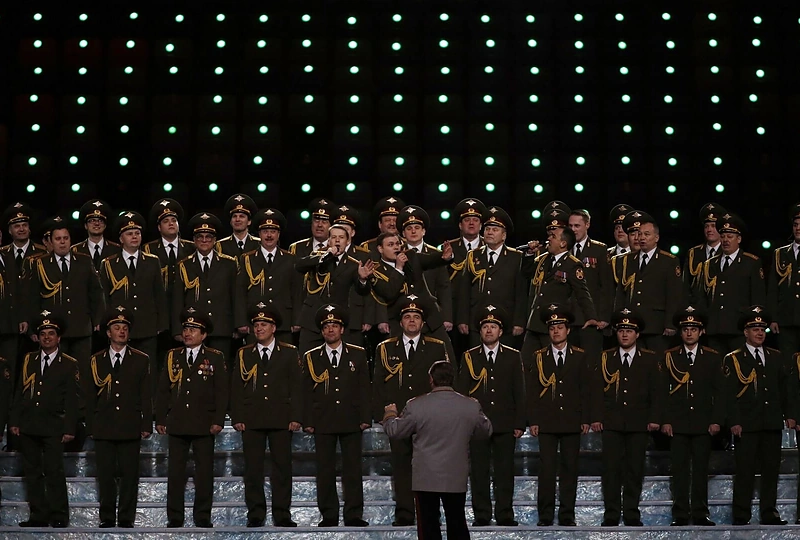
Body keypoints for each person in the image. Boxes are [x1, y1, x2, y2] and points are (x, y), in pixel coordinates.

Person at [382, 361, 493, 540]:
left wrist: (390, 414)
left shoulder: (416, 406)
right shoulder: (470, 406)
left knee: (428, 525)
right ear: (452, 379)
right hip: (455, 475)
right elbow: (486, 430)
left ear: (431, 380)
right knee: (457, 523)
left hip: (426, 477)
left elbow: (395, 431)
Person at [373, 296, 449, 526]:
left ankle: (429, 515)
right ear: (400, 322)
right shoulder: (385, 348)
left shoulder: (437, 347)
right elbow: (377, 384)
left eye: (416, 317)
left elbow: (444, 381)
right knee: (402, 467)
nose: (412, 321)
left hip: (429, 419)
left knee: (430, 469)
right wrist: (386, 414)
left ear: (423, 322)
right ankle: (405, 513)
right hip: (400, 419)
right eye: (407, 317)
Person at [155, 308, 228, 528]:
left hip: (204, 424)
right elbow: (162, 390)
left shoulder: (215, 357)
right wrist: (160, 418)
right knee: (175, 473)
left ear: (203, 335)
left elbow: (222, 391)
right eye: (186, 328)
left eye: (194, 329)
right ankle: (175, 517)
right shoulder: (172, 356)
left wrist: (218, 419)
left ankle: (202, 516)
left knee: (204, 473)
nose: (188, 333)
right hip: (177, 422)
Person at [231, 305, 302, 528]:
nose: (259, 328)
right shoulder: (244, 353)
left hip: (281, 418)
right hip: (252, 419)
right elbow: (236, 388)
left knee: (282, 468)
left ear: (274, 328)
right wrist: (237, 416)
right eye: (256, 325)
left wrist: (296, 416)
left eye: (263, 324)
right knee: (253, 469)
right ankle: (256, 514)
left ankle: (282, 514)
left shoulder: (289, 352)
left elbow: (297, 388)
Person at [527, 304, 597, 527]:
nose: (556, 331)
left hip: (572, 420)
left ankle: (567, 515)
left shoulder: (580, 356)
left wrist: (586, 418)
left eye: (560, 327)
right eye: (552, 328)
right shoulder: (538, 357)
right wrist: (534, 420)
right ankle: (545, 516)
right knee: (546, 471)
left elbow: (587, 389)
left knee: (569, 469)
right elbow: (532, 390)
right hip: (546, 421)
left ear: (568, 330)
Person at [724, 305, 795, 526]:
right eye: (754, 329)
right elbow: (728, 394)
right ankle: (741, 513)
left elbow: (786, 389)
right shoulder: (734, 358)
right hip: (746, 423)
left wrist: (790, 414)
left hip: (771, 422)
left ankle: (769, 513)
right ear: (745, 332)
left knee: (771, 471)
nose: (758, 333)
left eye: (762, 329)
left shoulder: (776, 357)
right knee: (744, 471)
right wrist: (734, 421)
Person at [302, 304, 370, 527]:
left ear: (342, 329)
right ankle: (329, 515)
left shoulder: (358, 354)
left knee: (353, 470)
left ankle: (353, 514)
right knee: (325, 471)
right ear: (322, 331)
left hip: (351, 420)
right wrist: (309, 422)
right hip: (323, 421)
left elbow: (363, 389)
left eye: (335, 325)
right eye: (327, 326)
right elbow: (306, 393)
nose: (331, 329)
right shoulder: (311, 357)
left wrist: (364, 418)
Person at [10, 311, 80, 528]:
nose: (47, 337)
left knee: (54, 471)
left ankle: (59, 515)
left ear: (59, 338)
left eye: (51, 334)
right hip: (30, 424)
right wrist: (14, 421)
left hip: (54, 426)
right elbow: (20, 391)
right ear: (38, 338)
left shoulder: (69, 363)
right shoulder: (28, 359)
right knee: (32, 472)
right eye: (43, 334)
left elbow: (72, 399)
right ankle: (38, 515)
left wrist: (69, 427)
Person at [456, 305, 524, 527]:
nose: (489, 330)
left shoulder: (513, 357)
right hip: (477, 425)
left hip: (505, 423)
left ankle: (505, 513)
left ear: (500, 331)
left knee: (505, 471)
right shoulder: (469, 357)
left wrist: (519, 423)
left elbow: (519, 392)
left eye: (493, 326)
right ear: (480, 331)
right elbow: (463, 394)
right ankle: (482, 514)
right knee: (479, 471)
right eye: (485, 326)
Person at [85, 306, 152, 528]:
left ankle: (125, 518)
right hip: (103, 425)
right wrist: (91, 424)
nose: (121, 331)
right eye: (116, 327)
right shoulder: (95, 360)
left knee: (129, 476)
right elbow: (89, 395)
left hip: (129, 425)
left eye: (125, 328)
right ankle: (106, 517)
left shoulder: (141, 360)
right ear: (107, 332)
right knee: (105, 475)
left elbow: (145, 395)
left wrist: (146, 424)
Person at [597, 308, 664, 527]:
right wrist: (597, 417)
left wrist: (655, 418)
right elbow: (596, 391)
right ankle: (612, 513)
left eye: (629, 330)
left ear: (638, 334)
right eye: (621, 330)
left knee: (635, 469)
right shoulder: (605, 358)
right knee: (611, 470)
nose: (625, 334)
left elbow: (657, 392)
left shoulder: (649, 360)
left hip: (639, 422)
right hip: (612, 423)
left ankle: (632, 512)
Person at [660, 305, 723, 526]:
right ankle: (680, 514)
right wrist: (666, 419)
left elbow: (720, 392)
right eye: (685, 328)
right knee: (679, 470)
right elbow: (662, 392)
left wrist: (716, 420)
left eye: (694, 329)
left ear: (701, 332)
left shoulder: (713, 358)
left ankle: (699, 512)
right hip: (677, 423)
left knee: (700, 470)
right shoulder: (669, 357)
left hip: (703, 423)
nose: (689, 332)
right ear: (680, 331)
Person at [26, 222, 105, 375]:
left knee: (81, 373)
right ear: (51, 241)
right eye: (58, 239)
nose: (62, 242)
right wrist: (33, 327)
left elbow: (96, 292)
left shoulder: (84, 261)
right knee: (55, 374)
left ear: (70, 240)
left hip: (81, 328)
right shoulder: (40, 264)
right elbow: (33, 298)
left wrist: (97, 319)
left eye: (65, 238)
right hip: (53, 331)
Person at [99, 211, 167, 390]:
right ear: (121, 238)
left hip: (147, 325)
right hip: (119, 327)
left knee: (148, 368)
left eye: (137, 233)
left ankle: (149, 408)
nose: (134, 236)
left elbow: (159, 294)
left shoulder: (152, 261)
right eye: (129, 233)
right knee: (121, 369)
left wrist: (162, 322)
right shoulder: (108, 263)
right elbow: (104, 297)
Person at [521, 210, 598, 357]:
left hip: (553, 323)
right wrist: (530, 254)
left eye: (553, 237)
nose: (548, 239)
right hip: (535, 322)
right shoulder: (543, 260)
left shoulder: (572, 265)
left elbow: (582, 293)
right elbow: (526, 273)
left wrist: (591, 317)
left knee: (549, 363)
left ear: (563, 243)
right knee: (526, 361)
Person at [294, 224, 375, 355]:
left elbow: (363, 291)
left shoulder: (354, 264)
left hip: (339, 319)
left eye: (341, 237)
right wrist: (326, 256)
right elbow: (299, 266)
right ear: (329, 240)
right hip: (312, 320)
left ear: (348, 241)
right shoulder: (317, 257)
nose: (337, 240)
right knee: (307, 360)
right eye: (334, 237)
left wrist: (362, 279)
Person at [612, 211, 683, 354]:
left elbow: (674, 295)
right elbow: (621, 292)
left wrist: (670, 323)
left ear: (656, 237)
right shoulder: (627, 260)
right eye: (639, 234)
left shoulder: (668, 261)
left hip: (656, 325)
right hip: (632, 324)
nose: (641, 238)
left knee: (656, 365)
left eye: (646, 234)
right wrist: (617, 319)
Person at [171, 212, 240, 358]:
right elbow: (177, 300)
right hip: (193, 328)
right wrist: (178, 330)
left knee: (221, 369)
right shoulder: (184, 265)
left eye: (208, 237)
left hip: (222, 326)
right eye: (199, 237)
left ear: (214, 240)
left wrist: (237, 325)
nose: (204, 240)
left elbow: (235, 296)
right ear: (194, 240)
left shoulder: (229, 263)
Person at [457, 206, 527, 347]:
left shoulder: (517, 257)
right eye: (488, 229)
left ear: (504, 235)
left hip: (506, 322)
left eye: (495, 230)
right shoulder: (473, 255)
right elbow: (464, 290)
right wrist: (462, 319)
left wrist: (519, 322)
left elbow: (521, 293)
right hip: (477, 322)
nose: (489, 233)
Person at [696, 213, 765, 354]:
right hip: (715, 327)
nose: (725, 240)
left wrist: (754, 326)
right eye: (723, 236)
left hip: (738, 328)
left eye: (730, 236)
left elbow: (758, 297)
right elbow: (702, 297)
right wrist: (702, 321)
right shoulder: (710, 264)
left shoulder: (751, 262)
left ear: (738, 239)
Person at [234, 208, 301, 345]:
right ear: (259, 234)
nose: (269, 235)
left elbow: (297, 291)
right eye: (265, 231)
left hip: (284, 322)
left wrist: (296, 321)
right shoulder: (247, 259)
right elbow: (240, 293)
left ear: (278, 234)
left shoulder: (290, 259)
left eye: (273, 231)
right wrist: (241, 322)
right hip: (255, 323)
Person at [568, 209, 613, 359]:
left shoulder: (599, 249)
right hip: (567, 319)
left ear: (587, 225)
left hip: (591, 319)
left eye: (577, 226)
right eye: (570, 226)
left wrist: (604, 317)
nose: (573, 230)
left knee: (590, 363)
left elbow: (606, 286)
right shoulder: (562, 248)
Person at [445, 198, 487, 360]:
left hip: (481, 309)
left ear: (481, 225)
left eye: (475, 220)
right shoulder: (449, 248)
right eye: (467, 220)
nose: (471, 223)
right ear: (460, 225)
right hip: (455, 311)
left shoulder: (489, 247)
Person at [768, 203, 800, 358]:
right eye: (795, 225)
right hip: (786, 319)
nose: (798, 228)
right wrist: (773, 318)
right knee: (787, 365)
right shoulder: (779, 254)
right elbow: (773, 289)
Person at [683, 203, 725, 304]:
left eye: (713, 226)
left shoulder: (727, 253)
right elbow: (685, 286)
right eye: (706, 226)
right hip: (696, 309)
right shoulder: (693, 253)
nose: (709, 230)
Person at [70, 199, 121, 270]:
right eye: (92, 220)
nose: (97, 224)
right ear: (85, 225)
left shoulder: (117, 250)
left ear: (105, 225)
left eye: (100, 221)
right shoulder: (75, 250)